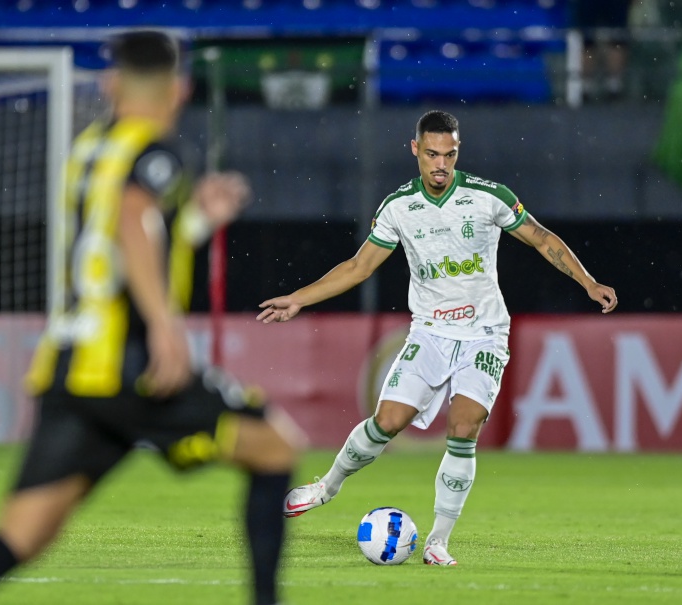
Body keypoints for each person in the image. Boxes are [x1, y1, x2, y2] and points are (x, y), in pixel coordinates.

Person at [0, 30, 300, 605]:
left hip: (70, 370)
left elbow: (114, 242)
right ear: (180, 90)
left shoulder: (88, 149)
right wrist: (165, 327)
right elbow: (132, 221)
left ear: (110, 84)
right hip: (130, 369)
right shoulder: (156, 149)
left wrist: (195, 222)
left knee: (21, 535)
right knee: (276, 447)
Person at [257, 110, 617, 566]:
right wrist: (298, 299)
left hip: (484, 334)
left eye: (449, 154)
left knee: (464, 427)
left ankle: (437, 541)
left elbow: (542, 238)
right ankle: (326, 487)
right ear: (415, 150)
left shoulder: (488, 197)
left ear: (458, 152)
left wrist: (587, 282)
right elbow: (357, 267)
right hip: (429, 332)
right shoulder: (398, 207)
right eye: (432, 154)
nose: (441, 164)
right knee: (386, 421)